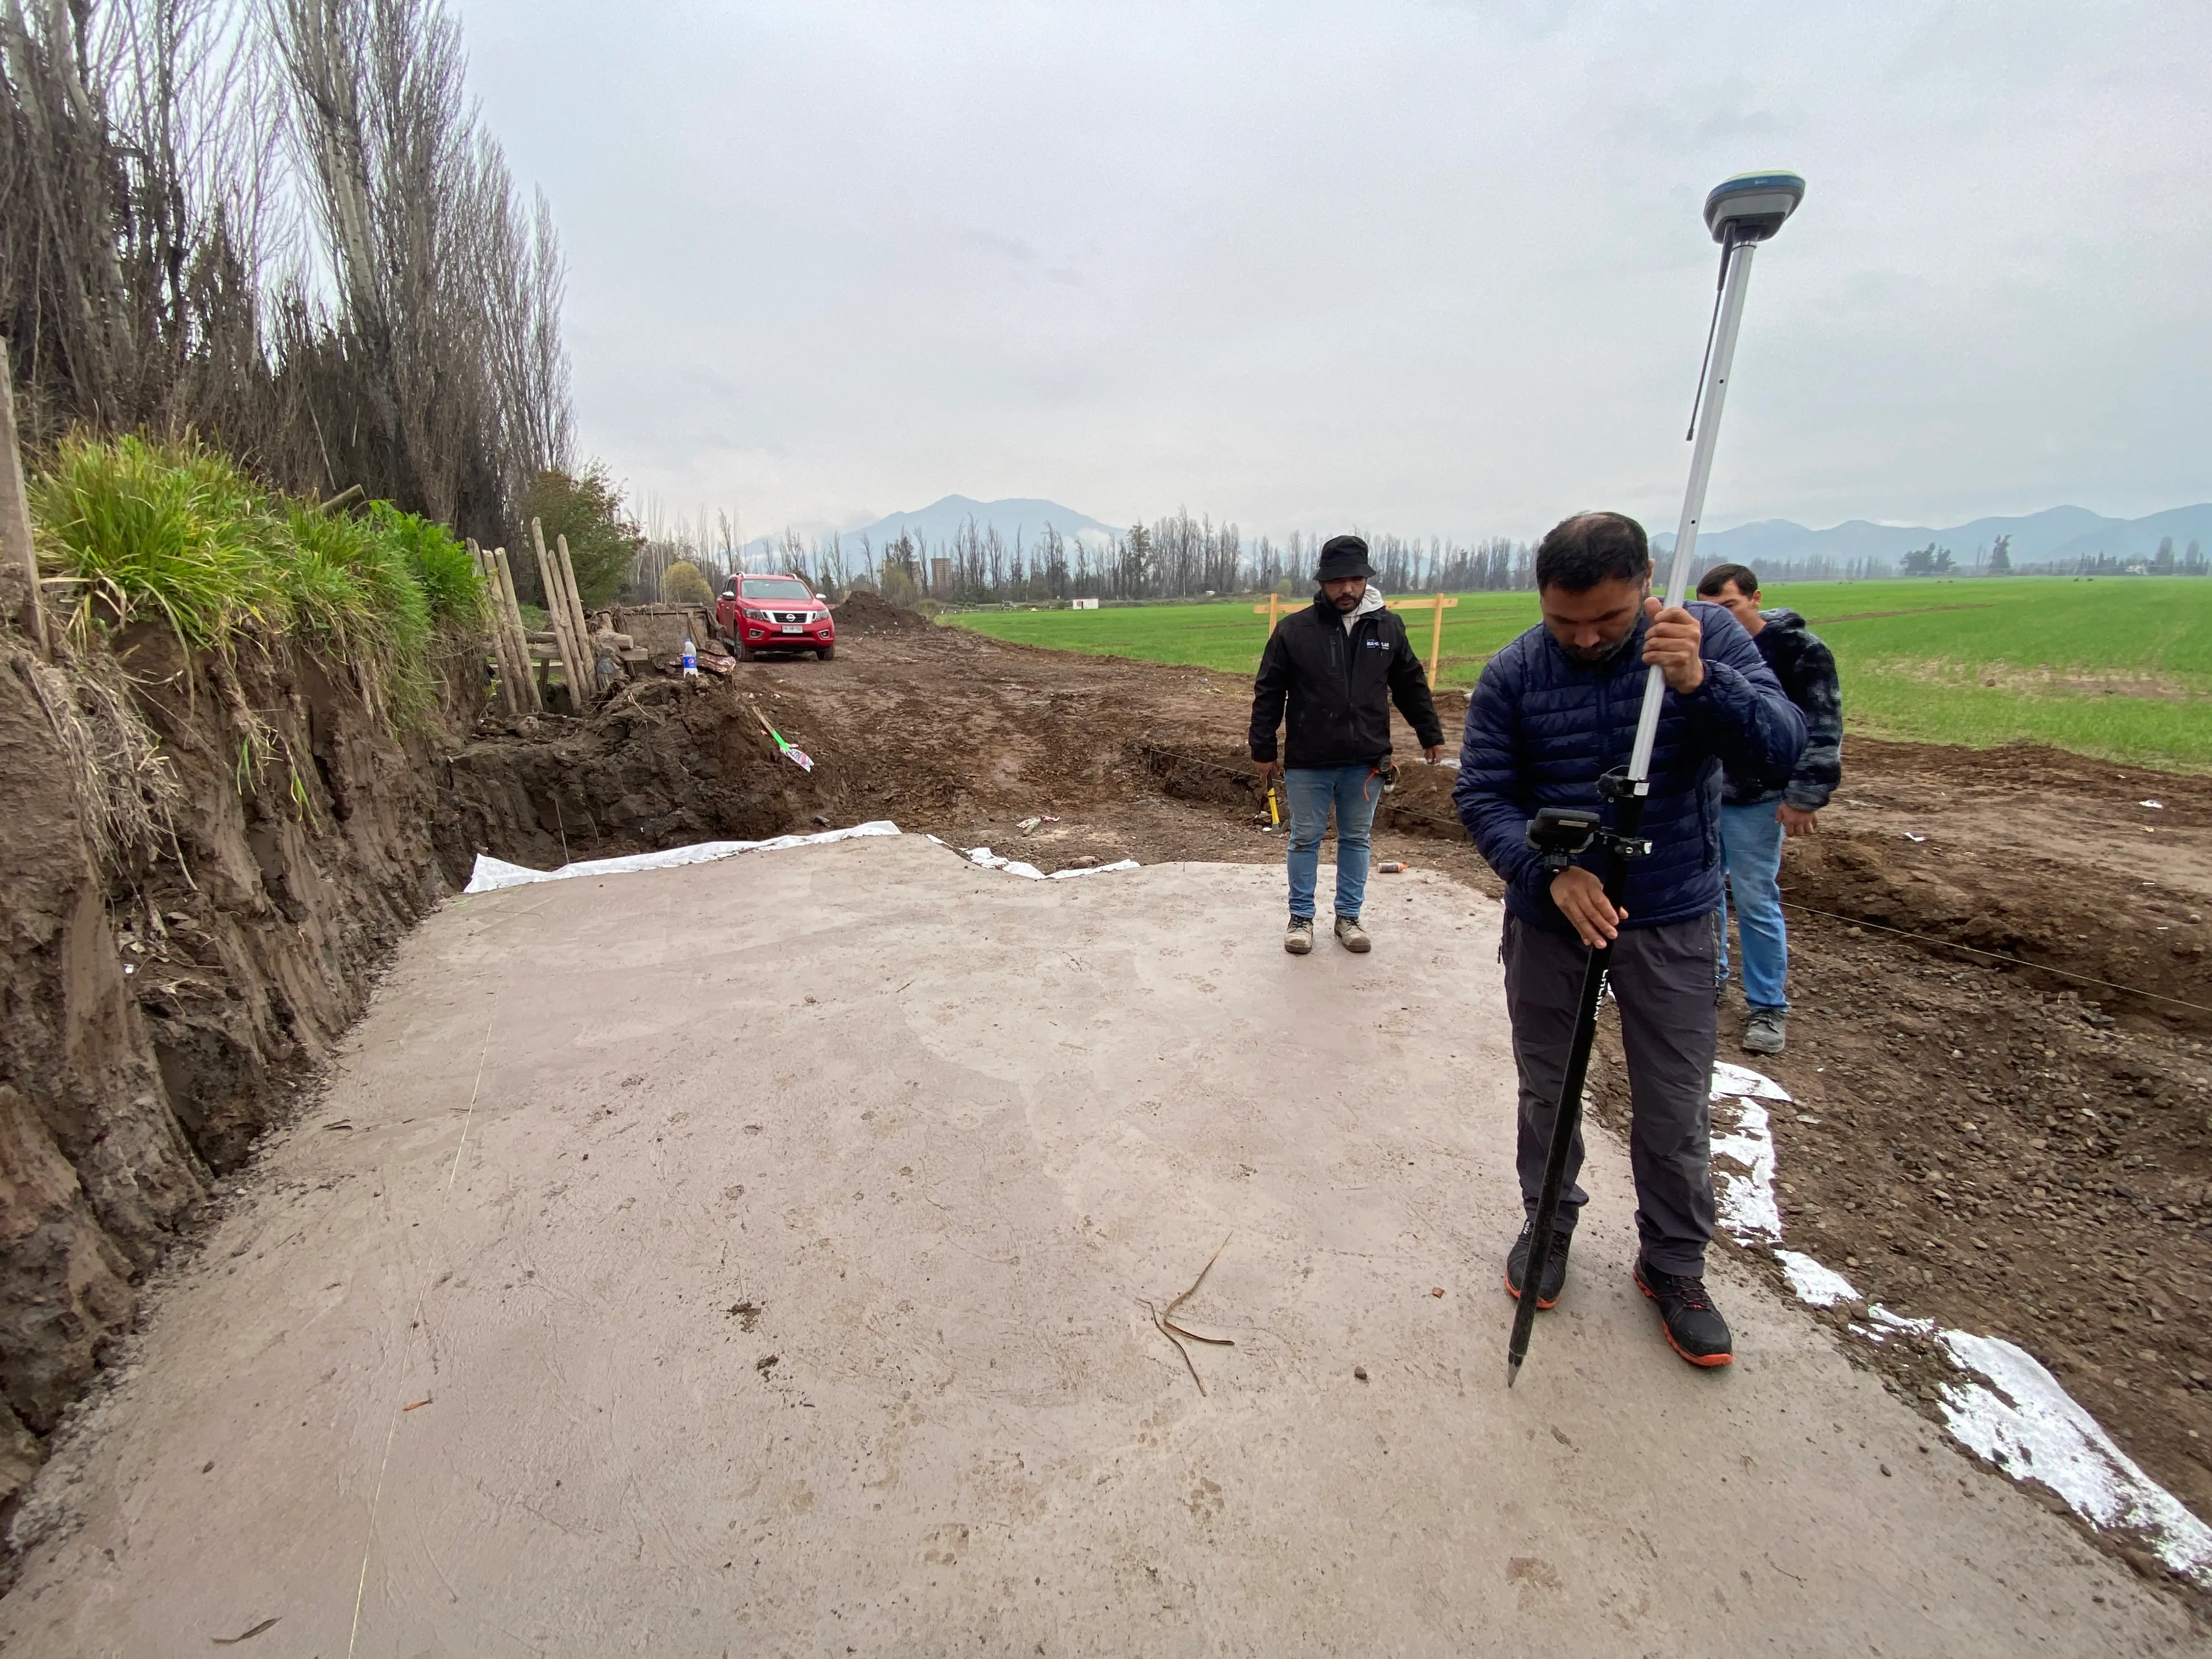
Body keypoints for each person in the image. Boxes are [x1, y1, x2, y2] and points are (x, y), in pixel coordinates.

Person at [1454, 512, 1804, 1368]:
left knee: (1675, 1103)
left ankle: (1674, 1264)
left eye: (1605, 620)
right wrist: (1551, 875)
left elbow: (1780, 750)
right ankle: (1549, 1225)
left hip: (1672, 917)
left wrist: (1700, 683)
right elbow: (1483, 798)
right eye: (1562, 621)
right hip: (1553, 920)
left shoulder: (1703, 638)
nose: (1582, 638)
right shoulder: (1513, 673)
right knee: (1549, 1089)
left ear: (1646, 581)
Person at [1249, 535, 1445, 956]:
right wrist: (1262, 749)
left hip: (1366, 761)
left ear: (1365, 579)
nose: (1347, 590)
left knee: (1356, 840)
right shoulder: (1294, 631)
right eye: (1337, 581)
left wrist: (1430, 733)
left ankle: (1349, 918)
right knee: (1305, 838)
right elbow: (1269, 692)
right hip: (1309, 760)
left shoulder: (1387, 628)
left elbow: (1410, 683)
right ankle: (1301, 919)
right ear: (1323, 583)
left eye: (1355, 580)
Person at [1694, 563, 1843, 1057]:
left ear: (1755, 599)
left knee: (1756, 897)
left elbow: (1822, 726)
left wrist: (1804, 795)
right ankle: (1708, 979)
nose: (1719, 619)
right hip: (1706, 793)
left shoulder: (1799, 652)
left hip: (1759, 797)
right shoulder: (1702, 644)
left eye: (1729, 607)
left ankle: (1767, 1005)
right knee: (1705, 892)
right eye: (1709, 610)